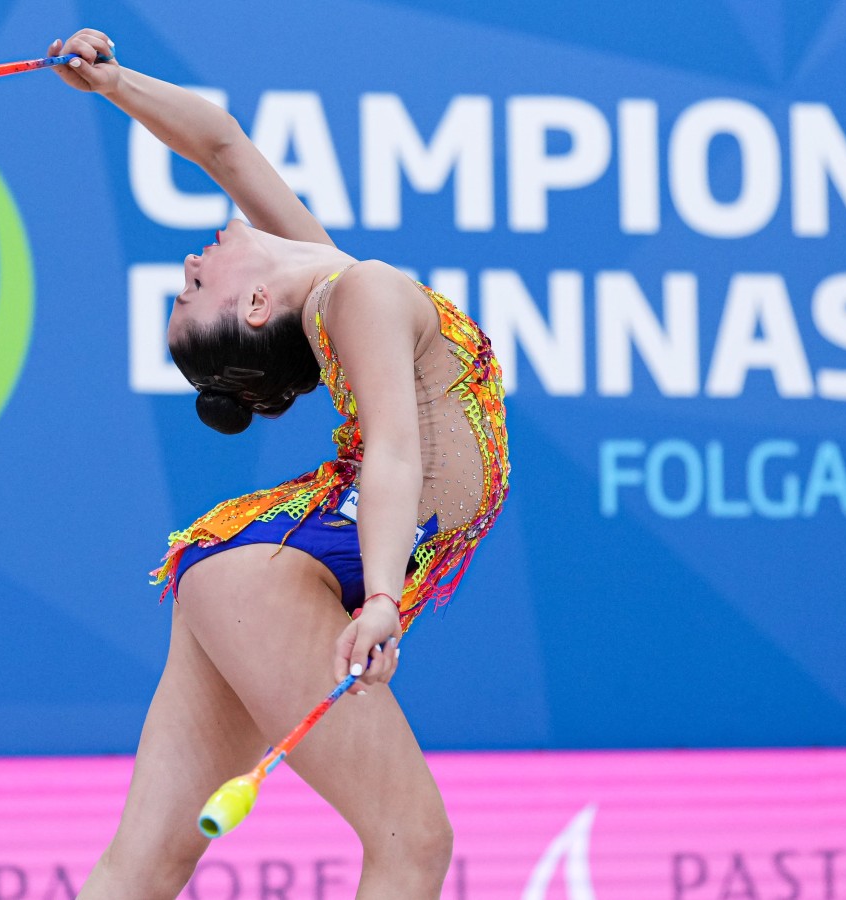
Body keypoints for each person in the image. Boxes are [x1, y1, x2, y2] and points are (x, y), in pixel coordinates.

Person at [49, 28, 509, 899]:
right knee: (413, 843)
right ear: (256, 304)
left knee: (144, 863)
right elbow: (394, 452)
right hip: (276, 572)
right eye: (194, 290)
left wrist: (114, 84)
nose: (190, 264)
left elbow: (222, 146)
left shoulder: (335, 285)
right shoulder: (362, 289)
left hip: (243, 574)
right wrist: (383, 599)